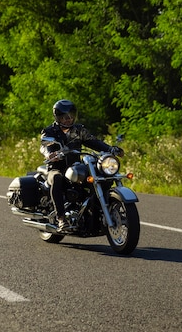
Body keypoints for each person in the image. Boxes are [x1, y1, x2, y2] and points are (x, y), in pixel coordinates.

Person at [40, 99, 124, 232]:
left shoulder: (79, 130)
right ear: (58, 117)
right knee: (57, 178)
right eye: (65, 116)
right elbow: (45, 147)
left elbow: (94, 142)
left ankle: (94, 214)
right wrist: (51, 155)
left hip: (75, 166)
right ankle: (61, 218)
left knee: (98, 175)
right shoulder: (50, 131)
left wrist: (111, 149)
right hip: (56, 168)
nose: (69, 119)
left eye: (71, 115)